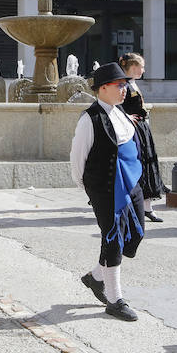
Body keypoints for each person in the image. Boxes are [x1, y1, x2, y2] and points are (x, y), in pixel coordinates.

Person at [70, 62, 146, 322]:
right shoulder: (89, 119)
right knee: (112, 240)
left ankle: (96, 276)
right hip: (106, 188)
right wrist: (91, 189)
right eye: (119, 85)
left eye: (125, 85)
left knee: (135, 235)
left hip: (130, 183)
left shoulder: (121, 113)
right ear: (103, 88)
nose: (124, 90)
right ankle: (115, 299)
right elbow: (77, 159)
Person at [119, 53, 165, 223]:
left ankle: (146, 206)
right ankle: (140, 206)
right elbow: (116, 105)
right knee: (139, 164)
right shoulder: (123, 84)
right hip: (134, 130)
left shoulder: (132, 84)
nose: (144, 70)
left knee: (145, 163)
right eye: (141, 66)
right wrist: (127, 117)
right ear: (132, 67)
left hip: (141, 128)